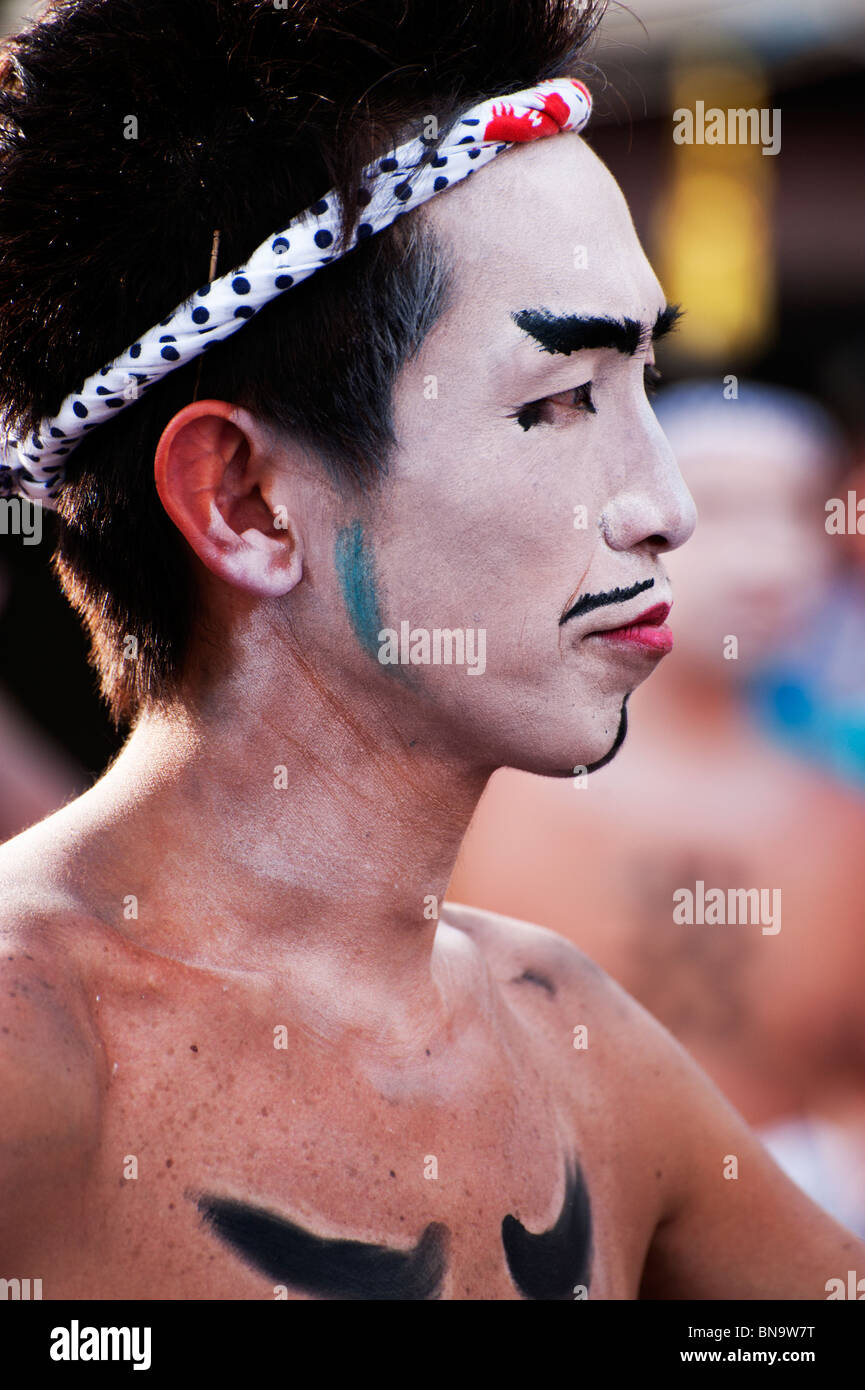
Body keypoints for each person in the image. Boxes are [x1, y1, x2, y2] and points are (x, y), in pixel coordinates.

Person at [0, 0, 862, 1301]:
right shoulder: (31, 1053)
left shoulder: (573, 1036)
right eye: (564, 399)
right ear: (244, 499)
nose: (665, 504)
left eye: (647, 382)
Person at [451, 380, 865, 1236]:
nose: (770, 558)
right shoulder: (497, 789)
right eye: (723, 509)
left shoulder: (838, 813)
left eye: (798, 512)